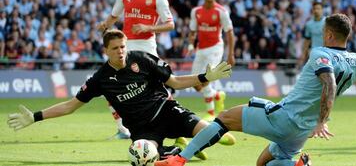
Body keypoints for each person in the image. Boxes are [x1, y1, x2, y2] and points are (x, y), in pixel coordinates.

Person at [155, 13, 356, 166]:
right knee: (263, 163)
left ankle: (180, 159)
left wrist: (323, 119)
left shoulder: (321, 53)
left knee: (224, 118)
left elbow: (328, 83)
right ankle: (294, 164)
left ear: (328, 34)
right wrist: (353, 80)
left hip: (285, 117)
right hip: (301, 132)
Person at [7, 29, 235, 160]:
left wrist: (205, 77)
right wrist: (35, 116)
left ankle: (181, 150)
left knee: (212, 134)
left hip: (167, 111)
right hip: (143, 130)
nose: (121, 51)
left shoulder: (143, 59)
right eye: (115, 48)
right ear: (105, 51)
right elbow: (70, 106)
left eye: (123, 46)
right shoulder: (100, 79)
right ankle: (171, 153)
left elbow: (174, 81)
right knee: (141, 156)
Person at [97, 0, 175, 138]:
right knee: (110, 87)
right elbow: (114, 16)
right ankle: (122, 129)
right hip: (124, 46)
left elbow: (170, 24)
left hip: (147, 47)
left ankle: (175, 123)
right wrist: (105, 25)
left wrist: (149, 27)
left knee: (158, 89)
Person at [187, 0, 235, 121]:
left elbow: (230, 33)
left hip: (215, 48)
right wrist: (191, 44)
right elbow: (192, 31)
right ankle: (218, 95)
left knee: (207, 77)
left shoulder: (221, 11)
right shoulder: (196, 11)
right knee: (195, 84)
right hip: (201, 49)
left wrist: (231, 54)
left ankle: (210, 112)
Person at [297, 1, 325, 68]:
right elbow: (307, 40)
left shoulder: (328, 22)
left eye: (318, 8)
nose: (316, 10)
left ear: (322, 10)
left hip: (326, 52)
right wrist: (303, 54)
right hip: (314, 52)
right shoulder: (309, 24)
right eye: (314, 9)